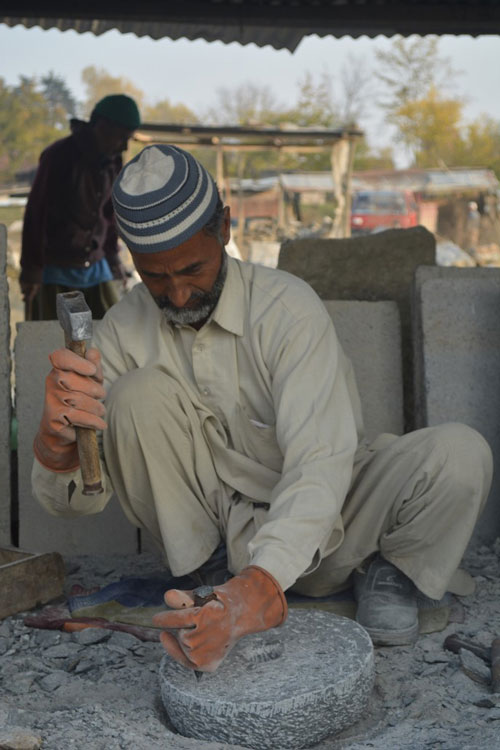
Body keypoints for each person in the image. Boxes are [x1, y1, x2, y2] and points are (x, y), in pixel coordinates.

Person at [31, 144, 493, 674]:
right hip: (216, 541)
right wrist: (56, 446)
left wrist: (261, 586)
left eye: (192, 269)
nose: (178, 296)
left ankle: (389, 570)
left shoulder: (287, 310)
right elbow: (78, 504)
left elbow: (320, 463)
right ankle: (205, 582)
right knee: (134, 394)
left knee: (461, 452)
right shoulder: (120, 335)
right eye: (156, 278)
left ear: (224, 227)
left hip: (335, 519)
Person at [20, 94, 141, 320]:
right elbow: (36, 213)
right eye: (121, 137)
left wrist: (113, 258)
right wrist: (31, 270)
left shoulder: (113, 161)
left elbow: (109, 214)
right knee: (52, 341)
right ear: (102, 126)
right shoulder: (59, 155)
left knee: (110, 332)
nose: (124, 146)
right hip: (55, 268)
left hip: (95, 266)